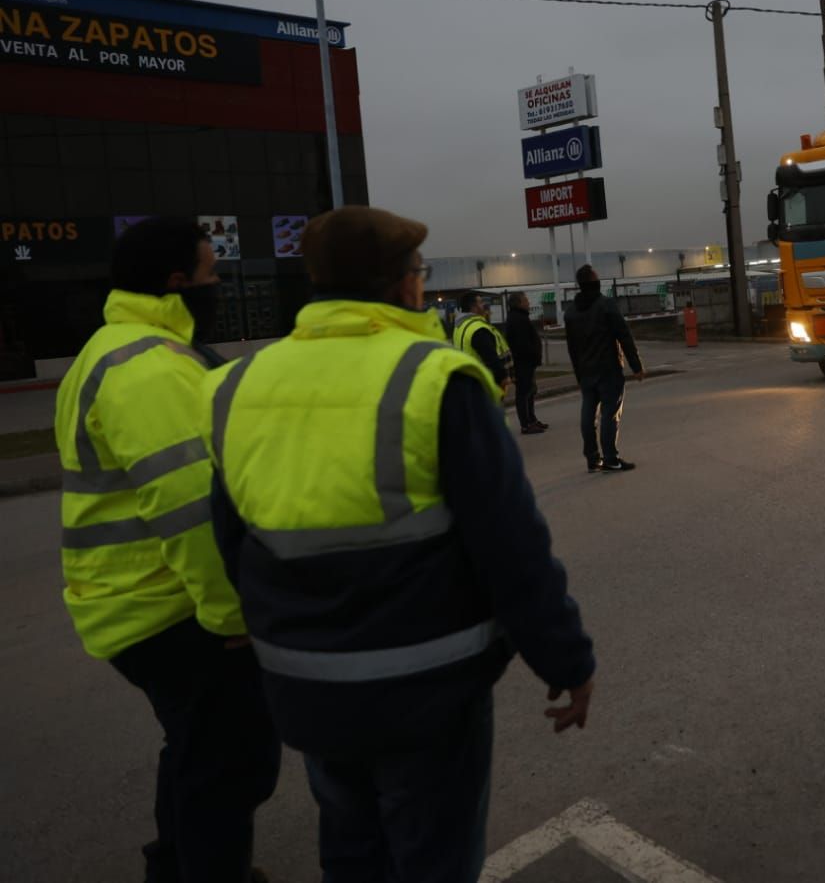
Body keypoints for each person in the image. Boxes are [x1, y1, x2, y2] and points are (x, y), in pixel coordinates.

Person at [201, 206, 595, 882]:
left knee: (352, 850)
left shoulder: (236, 384)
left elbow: (231, 536)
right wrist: (566, 660)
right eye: (417, 271)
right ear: (401, 283)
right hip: (426, 693)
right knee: (432, 858)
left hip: (305, 685)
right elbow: (511, 548)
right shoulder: (432, 379)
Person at [54, 216, 279, 882]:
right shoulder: (149, 368)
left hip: (132, 603)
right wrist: (231, 616)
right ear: (177, 283)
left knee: (196, 748)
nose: (219, 288)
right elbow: (189, 511)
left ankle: (175, 865)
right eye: (213, 276)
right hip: (170, 608)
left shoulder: (111, 346)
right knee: (231, 765)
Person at [564, 264, 645, 472]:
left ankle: (592, 458)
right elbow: (623, 335)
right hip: (608, 369)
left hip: (586, 371)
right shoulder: (606, 305)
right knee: (610, 414)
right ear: (594, 281)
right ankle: (611, 458)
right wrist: (636, 365)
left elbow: (571, 347)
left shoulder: (571, 312)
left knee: (588, 415)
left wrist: (578, 373)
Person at [505, 291, 548, 435]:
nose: (529, 303)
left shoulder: (520, 317)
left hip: (527, 363)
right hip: (522, 363)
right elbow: (521, 344)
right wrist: (532, 355)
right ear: (519, 303)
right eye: (526, 300)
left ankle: (532, 419)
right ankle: (526, 424)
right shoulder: (517, 320)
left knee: (530, 391)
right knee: (523, 393)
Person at [451, 292, 511, 394]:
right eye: (481, 302)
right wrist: (502, 377)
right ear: (473, 307)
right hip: (483, 383)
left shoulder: (459, 326)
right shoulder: (478, 328)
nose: (484, 305)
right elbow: (490, 356)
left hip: (467, 381)